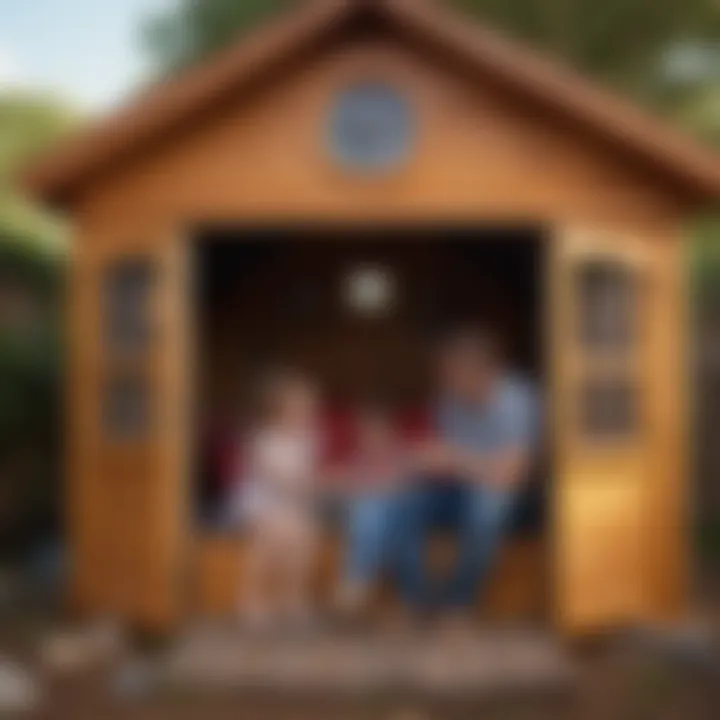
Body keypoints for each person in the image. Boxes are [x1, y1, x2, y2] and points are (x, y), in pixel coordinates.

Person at [395, 328, 540, 626]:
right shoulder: (446, 401)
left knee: (487, 507)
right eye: (443, 373)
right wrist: (427, 460)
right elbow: (450, 461)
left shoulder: (517, 400)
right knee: (401, 504)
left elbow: (512, 475)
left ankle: (459, 603)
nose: (443, 380)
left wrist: (455, 458)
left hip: (520, 497)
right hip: (464, 488)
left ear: (479, 372)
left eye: (450, 372)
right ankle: (420, 600)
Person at [233, 369, 322, 630]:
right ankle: (253, 601)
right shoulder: (264, 440)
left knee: (304, 538)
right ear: (280, 410)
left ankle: (292, 599)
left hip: (293, 506)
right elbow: (276, 477)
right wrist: (305, 483)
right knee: (272, 538)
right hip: (262, 504)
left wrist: (311, 487)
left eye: (307, 409)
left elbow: (309, 478)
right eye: (298, 408)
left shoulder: (308, 441)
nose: (304, 414)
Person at [335, 402, 408, 616]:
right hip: (366, 523)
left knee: (372, 513)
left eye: (379, 434)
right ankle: (361, 580)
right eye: (366, 435)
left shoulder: (400, 458)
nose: (373, 440)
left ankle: (356, 578)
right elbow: (345, 485)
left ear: (391, 434)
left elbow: (402, 489)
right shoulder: (358, 461)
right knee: (367, 514)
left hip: (394, 517)